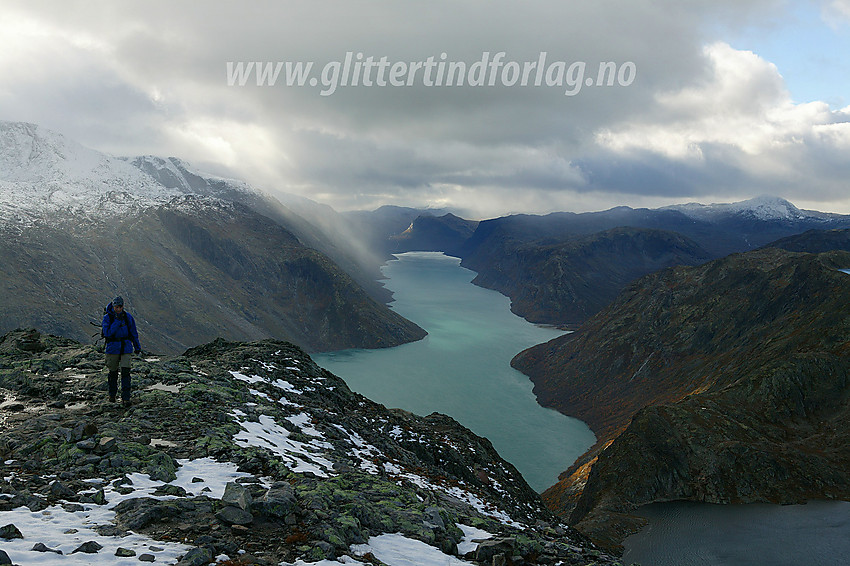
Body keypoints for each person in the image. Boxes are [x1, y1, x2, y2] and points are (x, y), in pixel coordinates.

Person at [102, 296, 141, 407]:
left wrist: (137, 347)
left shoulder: (128, 317)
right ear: (113, 306)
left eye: (120, 307)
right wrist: (117, 321)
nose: (118, 309)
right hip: (112, 348)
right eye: (116, 307)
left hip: (126, 348)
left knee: (125, 373)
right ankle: (112, 395)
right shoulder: (108, 318)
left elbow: (134, 333)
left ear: (123, 306)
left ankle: (126, 398)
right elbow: (108, 333)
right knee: (113, 373)